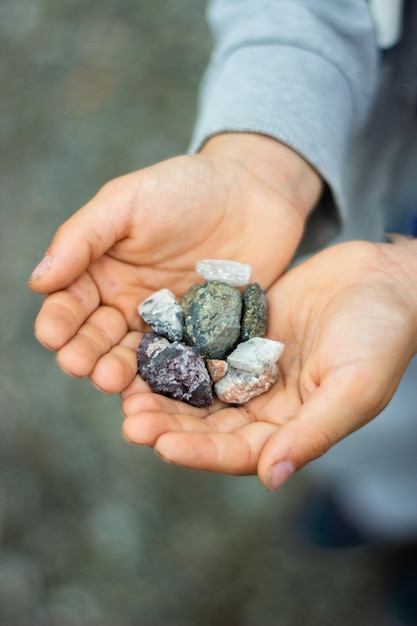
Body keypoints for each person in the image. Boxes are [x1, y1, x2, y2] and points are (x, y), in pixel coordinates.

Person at [28, 0, 417, 621]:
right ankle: (376, 503)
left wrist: (408, 278)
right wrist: (261, 156)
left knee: (383, 410)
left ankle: (401, 522)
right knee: (351, 410)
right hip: (377, 179)